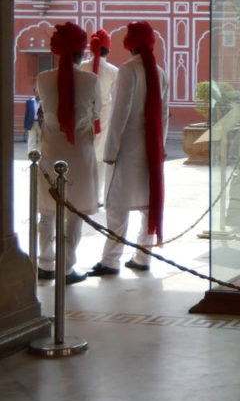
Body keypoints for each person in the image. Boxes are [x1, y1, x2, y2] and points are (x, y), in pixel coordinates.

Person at [89, 21, 169, 276]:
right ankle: (143, 257)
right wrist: (161, 148)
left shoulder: (128, 70)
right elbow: (164, 116)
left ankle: (111, 261)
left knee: (117, 205)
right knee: (147, 204)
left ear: (129, 44)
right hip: (150, 150)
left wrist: (109, 152)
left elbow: (120, 114)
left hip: (127, 150)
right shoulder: (160, 72)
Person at [35, 22, 102, 285]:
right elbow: (96, 114)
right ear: (81, 50)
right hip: (80, 154)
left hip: (51, 152)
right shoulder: (90, 80)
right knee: (75, 213)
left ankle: (45, 263)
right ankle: (67, 267)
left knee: (47, 211)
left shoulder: (42, 79)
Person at [83, 28, 118, 200]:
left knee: (84, 157)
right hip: (105, 116)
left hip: (84, 115)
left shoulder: (82, 67)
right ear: (108, 49)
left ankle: (85, 195)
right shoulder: (113, 71)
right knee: (101, 160)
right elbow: (118, 97)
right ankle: (97, 197)